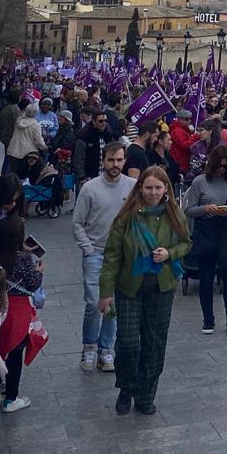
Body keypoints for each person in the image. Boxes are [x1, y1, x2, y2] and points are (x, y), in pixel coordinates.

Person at [97, 166, 191, 415]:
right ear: (140, 188)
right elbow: (112, 255)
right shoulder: (126, 217)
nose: (153, 193)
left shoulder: (174, 214)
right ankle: (126, 386)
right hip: (130, 286)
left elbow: (186, 242)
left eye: (158, 188)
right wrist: (105, 292)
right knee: (128, 342)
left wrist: (170, 253)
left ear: (166, 190)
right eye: (148, 187)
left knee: (154, 343)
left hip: (162, 287)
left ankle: (146, 393)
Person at [73, 141, 135, 372]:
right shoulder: (90, 189)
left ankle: (106, 349)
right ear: (103, 161)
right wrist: (87, 248)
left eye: (119, 160)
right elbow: (78, 223)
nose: (115, 164)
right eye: (111, 160)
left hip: (122, 256)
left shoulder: (132, 187)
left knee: (114, 304)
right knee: (93, 302)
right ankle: (89, 346)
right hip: (96, 254)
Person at [182, 145, 227, 334]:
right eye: (219, 166)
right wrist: (206, 209)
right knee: (207, 277)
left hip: (226, 231)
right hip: (206, 229)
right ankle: (208, 319)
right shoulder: (200, 182)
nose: (221, 170)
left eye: (225, 167)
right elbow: (189, 209)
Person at [0, 216, 43, 413]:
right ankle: (11, 398)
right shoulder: (23, 260)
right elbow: (33, 284)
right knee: (15, 352)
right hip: (17, 310)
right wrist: (39, 271)